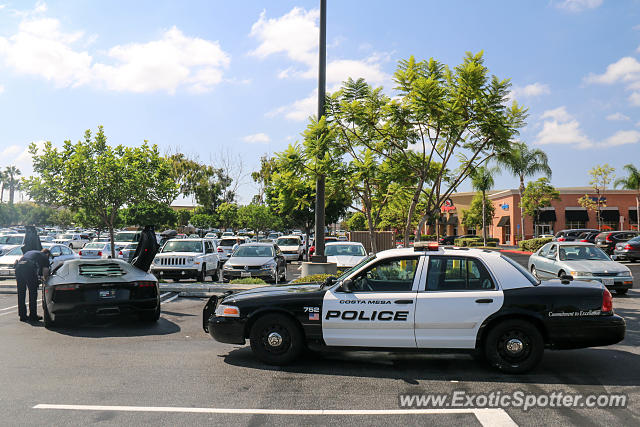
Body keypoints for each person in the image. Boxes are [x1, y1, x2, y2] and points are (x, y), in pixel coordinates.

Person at [15, 248, 51, 322]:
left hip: (18, 267)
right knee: (33, 292)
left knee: (21, 292)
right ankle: (33, 315)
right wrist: (45, 280)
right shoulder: (44, 257)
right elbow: (45, 272)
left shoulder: (30, 252)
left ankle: (22, 315)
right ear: (47, 254)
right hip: (28, 267)